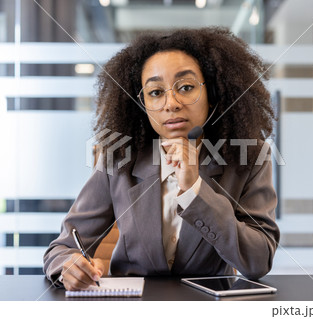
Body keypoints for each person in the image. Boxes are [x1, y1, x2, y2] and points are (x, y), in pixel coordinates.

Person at [43, 27, 280, 291]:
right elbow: (62, 248)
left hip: (207, 307)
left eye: (186, 87)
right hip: (134, 307)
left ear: (212, 95)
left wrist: (195, 191)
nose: (172, 103)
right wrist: (68, 266)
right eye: (156, 92)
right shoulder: (118, 158)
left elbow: (258, 260)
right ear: (142, 104)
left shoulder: (249, 158)